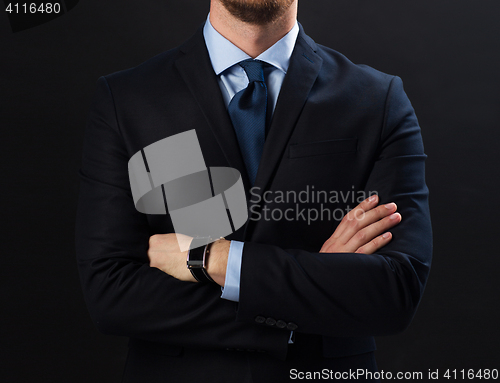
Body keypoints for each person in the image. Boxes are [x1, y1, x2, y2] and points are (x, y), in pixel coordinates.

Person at [75, 0, 432, 382]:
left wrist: (215, 258)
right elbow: (111, 293)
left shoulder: (379, 99)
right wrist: (313, 294)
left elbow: (395, 289)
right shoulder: (128, 98)